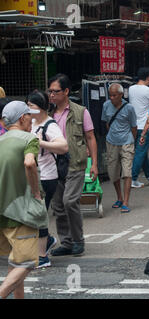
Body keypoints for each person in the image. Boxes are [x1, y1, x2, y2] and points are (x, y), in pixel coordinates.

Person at [48, 73, 98, 257]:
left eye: (56, 91)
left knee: (70, 201)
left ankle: (78, 240)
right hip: (54, 164)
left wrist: (94, 164)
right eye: (50, 91)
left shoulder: (80, 111)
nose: (52, 95)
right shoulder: (49, 114)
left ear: (66, 91)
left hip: (75, 163)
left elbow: (91, 137)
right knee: (58, 205)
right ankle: (66, 242)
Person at [0, 101, 45, 298]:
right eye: (29, 116)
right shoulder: (29, 138)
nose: (32, 119)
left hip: (1, 214)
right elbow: (29, 163)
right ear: (21, 118)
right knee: (26, 262)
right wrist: (36, 192)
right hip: (19, 212)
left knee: (14, 263)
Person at [27, 90, 68, 268]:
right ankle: (48, 239)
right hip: (33, 175)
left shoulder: (50, 125)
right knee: (34, 214)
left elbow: (63, 146)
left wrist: (41, 142)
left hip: (47, 176)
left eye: (31, 106)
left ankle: (42, 256)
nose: (28, 109)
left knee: (40, 214)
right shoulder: (31, 122)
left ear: (42, 108)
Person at [101, 83, 137, 213]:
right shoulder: (105, 106)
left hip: (127, 142)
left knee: (127, 171)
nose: (111, 98)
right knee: (113, 172)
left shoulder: (129, 108)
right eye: (110, 95)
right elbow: (107, 123)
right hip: (111, 142)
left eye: (114, 95)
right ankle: (119, 197)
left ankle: (126, 201)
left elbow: (133, 127)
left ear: (121, 95)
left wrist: (131, 140)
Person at [129, 67, 149, 188]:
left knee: (142, 153)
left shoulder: (131, 89)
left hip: (134, 126)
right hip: (146, 126)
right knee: (140, 153)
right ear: (148, 78)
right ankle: (133, 179)